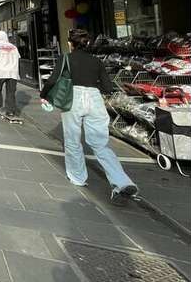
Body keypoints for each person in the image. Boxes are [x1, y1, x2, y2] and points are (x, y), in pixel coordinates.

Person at [40, 29, 139, 206]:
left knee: (72, 140)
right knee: (101, 144)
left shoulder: (66, 58)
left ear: (71, 43)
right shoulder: (97, 61)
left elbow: (53, 80)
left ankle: (78, 177)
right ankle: (122, 181)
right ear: (87, 44)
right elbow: (108, 88)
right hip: (94, 98)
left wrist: (44, 94)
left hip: (74, 98)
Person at [0, 30, 20, 120]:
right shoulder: (13, 47)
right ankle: (10, 111)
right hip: (12, 72)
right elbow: (18, 58)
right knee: (11, 92)